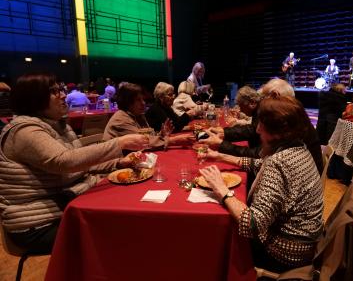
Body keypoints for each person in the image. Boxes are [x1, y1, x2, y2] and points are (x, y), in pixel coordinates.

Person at [0, 73, 149, 253]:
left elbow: (80, 163)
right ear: (34, 98)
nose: (63, 95)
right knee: (120, 230)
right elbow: (64, 161)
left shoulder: (58, 125)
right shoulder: (24, 130)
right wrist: (118, 143)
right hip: (37, 223)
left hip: (65, 205)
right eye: (54, 91)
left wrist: (118, 163)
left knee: (129, 212)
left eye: (60, 90)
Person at [199, 96, 323, 273]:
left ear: (278, 133)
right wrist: (220, 156)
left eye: (261, 125)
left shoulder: (279, 162)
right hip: (306, 243)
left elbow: (253, 225)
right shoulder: (298, 147)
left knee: (214, 238)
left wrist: (221, 189)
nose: (257, 130)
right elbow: (259, 164)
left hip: (285, 253)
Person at [103, 83, 193, 148]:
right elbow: (143, 141)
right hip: (114, 167)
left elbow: (149, 136)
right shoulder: (120, 119)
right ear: (128, 103)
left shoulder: (138, 115)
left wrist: (161, 134)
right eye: (138, 100)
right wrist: (174, 141)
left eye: (143, 99)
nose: (143, 103)